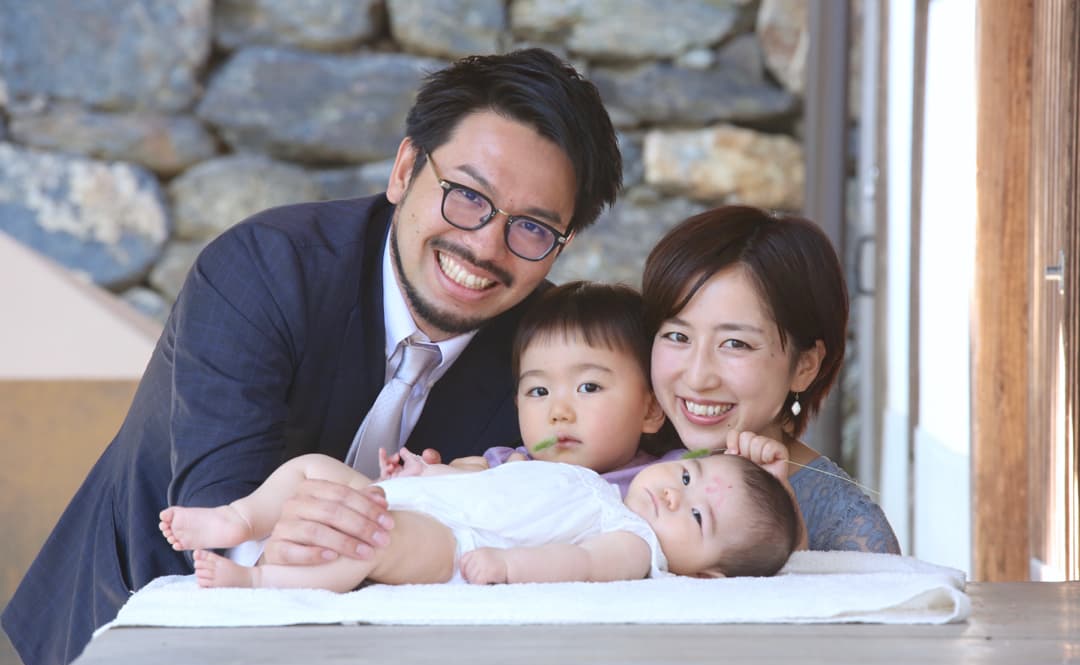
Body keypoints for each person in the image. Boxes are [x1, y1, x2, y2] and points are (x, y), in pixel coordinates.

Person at [3, 48, 623, 665]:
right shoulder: (262, 269)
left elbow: (618, 486)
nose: (486, 245)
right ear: (406, 168)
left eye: (532, 228)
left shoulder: (548, 347)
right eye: (468, 196)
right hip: (137, 614)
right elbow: (227, 518)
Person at [159, 434, 800, 589]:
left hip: (452, 536)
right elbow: (502, 476)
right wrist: (429, 472)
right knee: (313, 467)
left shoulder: (635, 543)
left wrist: (510, 566)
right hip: (436, 496)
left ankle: (257, 581)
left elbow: (577, 563)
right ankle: (239, 517)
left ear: (706, 573)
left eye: (693, 518)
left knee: (368, 540)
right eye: (686, 475)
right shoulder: (599, 483)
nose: (671, 494)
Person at [641, 205, 901, 554]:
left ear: (805, 366)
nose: (698, 376)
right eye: (677, 336)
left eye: (735, 344)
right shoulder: (608, 449)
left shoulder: (848, 532)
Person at [469, 280, 666, 493]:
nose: (559, 412)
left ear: (651, 409)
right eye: (539, 391)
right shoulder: (500, 470)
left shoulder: (673, 481)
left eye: (589, 387)